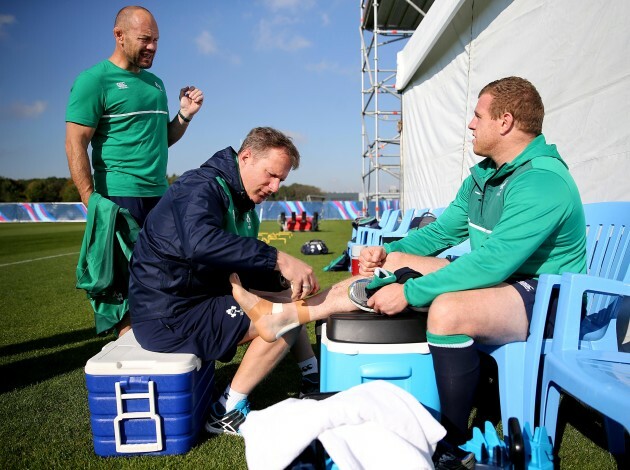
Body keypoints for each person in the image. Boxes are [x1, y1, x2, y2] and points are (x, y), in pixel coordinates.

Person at [231, 77, 587, 455]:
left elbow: (492, 264)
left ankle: (451, 440)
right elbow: (440, 234)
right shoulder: (484, 176)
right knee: (398, 262)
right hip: (505, 281)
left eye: (478, 116)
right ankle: (307, 325)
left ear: (505, 122)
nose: (471, 124)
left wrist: (411, 292)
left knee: (449, 311)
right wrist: (388, 254)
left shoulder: (541, 180)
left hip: (549, 297)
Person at [128, 127, 321, 435]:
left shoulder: (239, 198)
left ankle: (313, 378)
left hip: (196, 298)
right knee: (283, 318)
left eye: (281, 180)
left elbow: (236, 264)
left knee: (288, 297)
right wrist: (280, 260)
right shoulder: (199, 186)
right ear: (245, 157)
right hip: (169, 316)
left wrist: (282, 280)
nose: (274, 187)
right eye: (271, 175)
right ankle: (227, 410)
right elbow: (200, 241)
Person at [65, 5, 204, 335]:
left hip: (159, 195)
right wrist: (89, 198)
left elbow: (161, 139)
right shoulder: (93, 81)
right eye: (145, 39)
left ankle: (163, 345)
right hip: (119, 196)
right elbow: (75, 143)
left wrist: (184, 115)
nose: (152, 47)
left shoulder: (156, 83)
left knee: (164, 276)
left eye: (156, 40)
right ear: (119, 35)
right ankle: (131, 360)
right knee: (127, 286)